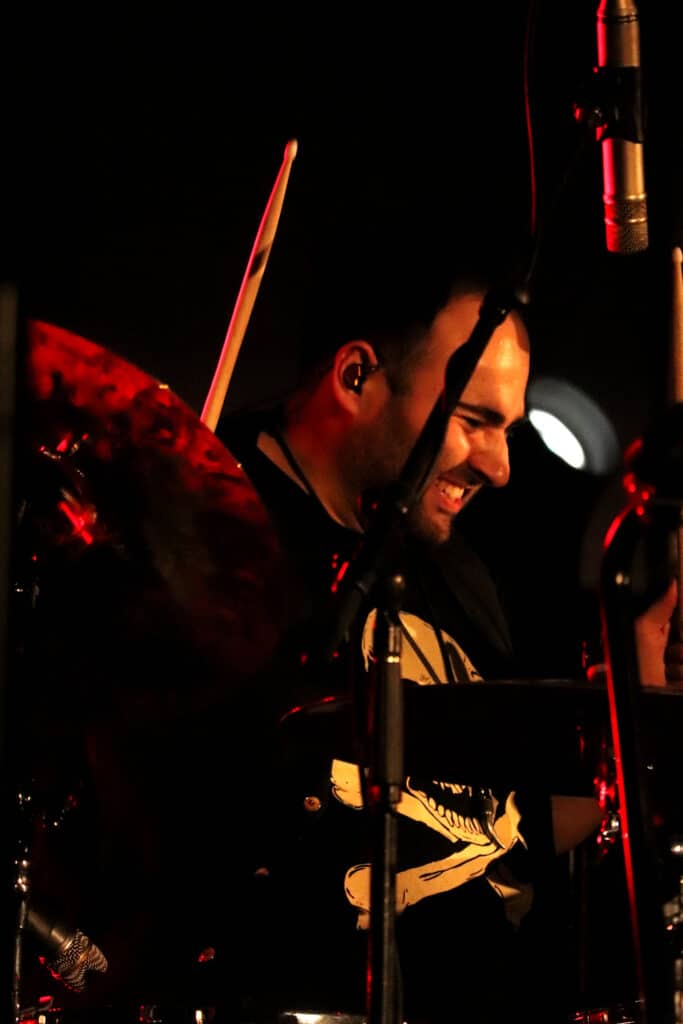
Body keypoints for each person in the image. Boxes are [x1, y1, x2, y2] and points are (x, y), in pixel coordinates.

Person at [216, 256, 680, 1024]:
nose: (500, 468)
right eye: (475, 421)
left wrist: (639, 670)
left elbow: (517, 821)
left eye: (508, 430)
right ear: (356, 377)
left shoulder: (453, 568)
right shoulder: (207, 543)